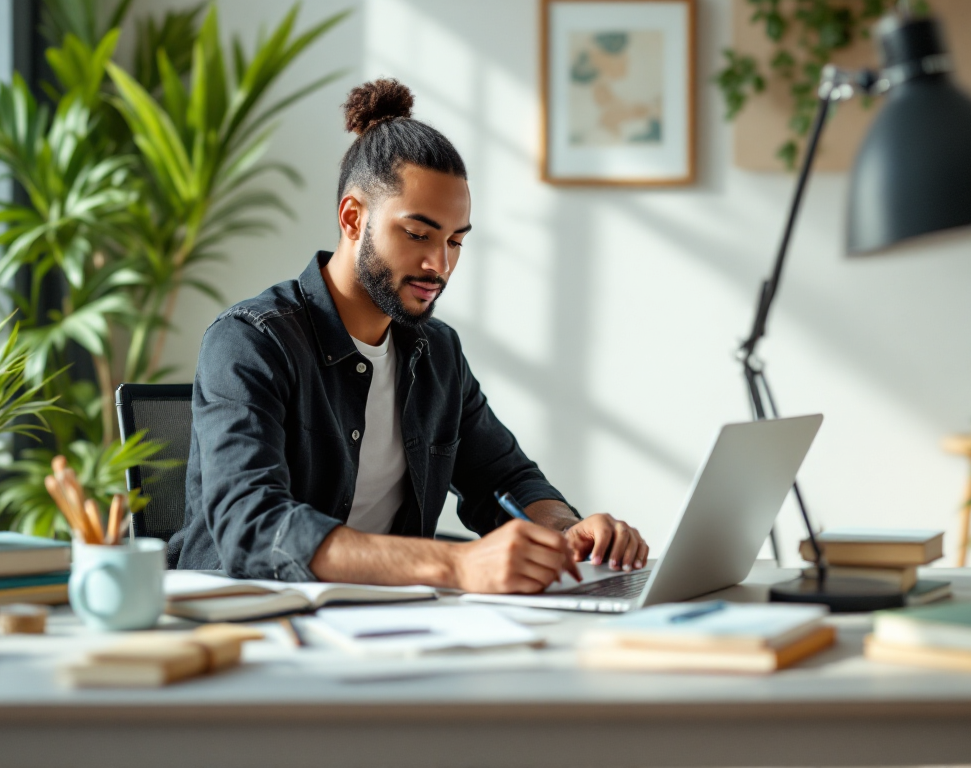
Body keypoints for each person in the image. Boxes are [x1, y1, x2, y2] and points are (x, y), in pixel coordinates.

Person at [169, 79, 649, 593]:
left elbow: (504, 479)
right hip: (245, 628)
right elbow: (254, 527)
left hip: (388, 629)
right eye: (418, 234)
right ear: (353, 218)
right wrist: (455, 565)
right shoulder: (251, 342)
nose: (439, 265)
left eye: (455, 241)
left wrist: (565, 528)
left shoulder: (436, 353)